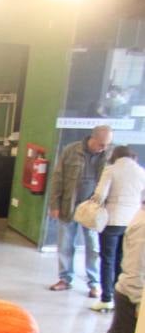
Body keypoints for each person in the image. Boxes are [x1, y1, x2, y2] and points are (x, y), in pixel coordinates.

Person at [75, 206, 145, 333]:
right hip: (133, 297)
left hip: (128, 295)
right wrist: (139, 302)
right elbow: (136, 271)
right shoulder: (143, 226)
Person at [48, 124, 113, 292]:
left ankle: (94, 283)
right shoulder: (71, 150)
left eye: (107, 145)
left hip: (93, 210)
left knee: (93, 246)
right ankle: (64, 278)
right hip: (69, 205)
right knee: (65, 244)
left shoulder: (109, 155)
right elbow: (58, 178)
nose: (103, 148)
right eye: (101, 144)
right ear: (93, 138)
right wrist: (54, 204)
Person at [88, 146, 145, 312]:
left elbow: (99, 195)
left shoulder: (111, 170)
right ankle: (120, 295)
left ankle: (106, 298)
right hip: (133, 221)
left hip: (113, 220)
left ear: (115, 156)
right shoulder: (141, 171)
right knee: (123, 259)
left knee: (107, 258)